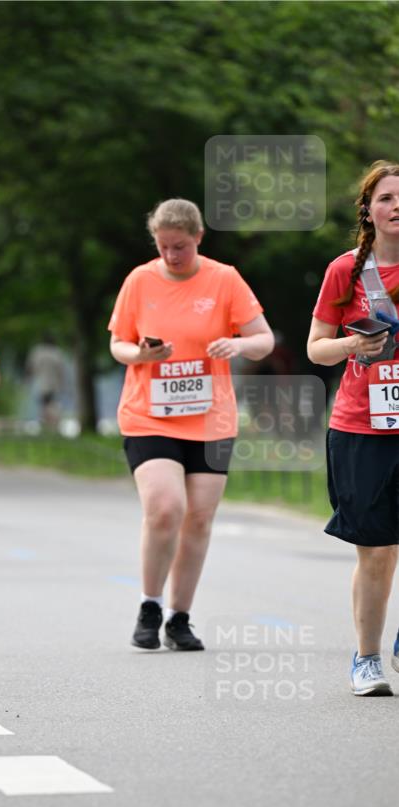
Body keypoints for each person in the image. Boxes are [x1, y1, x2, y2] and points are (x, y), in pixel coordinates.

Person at [109, 198, 274, 651]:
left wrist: (237, 345)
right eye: (162, 246)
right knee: (166, 508)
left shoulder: (224, 279)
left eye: (179, 246)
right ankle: (149, 604)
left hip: (210, 420)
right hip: (149, 415)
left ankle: (179, 617)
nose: (171, 255)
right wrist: (141, 354)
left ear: (198, 237)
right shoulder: (140, 280)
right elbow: (118, 344)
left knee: (199, 519)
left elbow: (263, 339)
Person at [307, 160, 399, 696]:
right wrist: (353, 344)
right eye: (386, 198)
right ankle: (366, 659)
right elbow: (316, 348)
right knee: (377, 549)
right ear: (368, 210)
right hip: (362, 427)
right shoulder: (346, 270)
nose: (397, 207)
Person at [26, 334, 68, 430]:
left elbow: (30, 368)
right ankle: (52, 424)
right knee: (52, 404)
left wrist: (28, 380)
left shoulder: (37, 352)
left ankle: (45, 423)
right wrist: (63, 385)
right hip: (54, 384)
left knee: (43, 405)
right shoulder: (57, 353)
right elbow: (61, 371)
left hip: (40, 383)